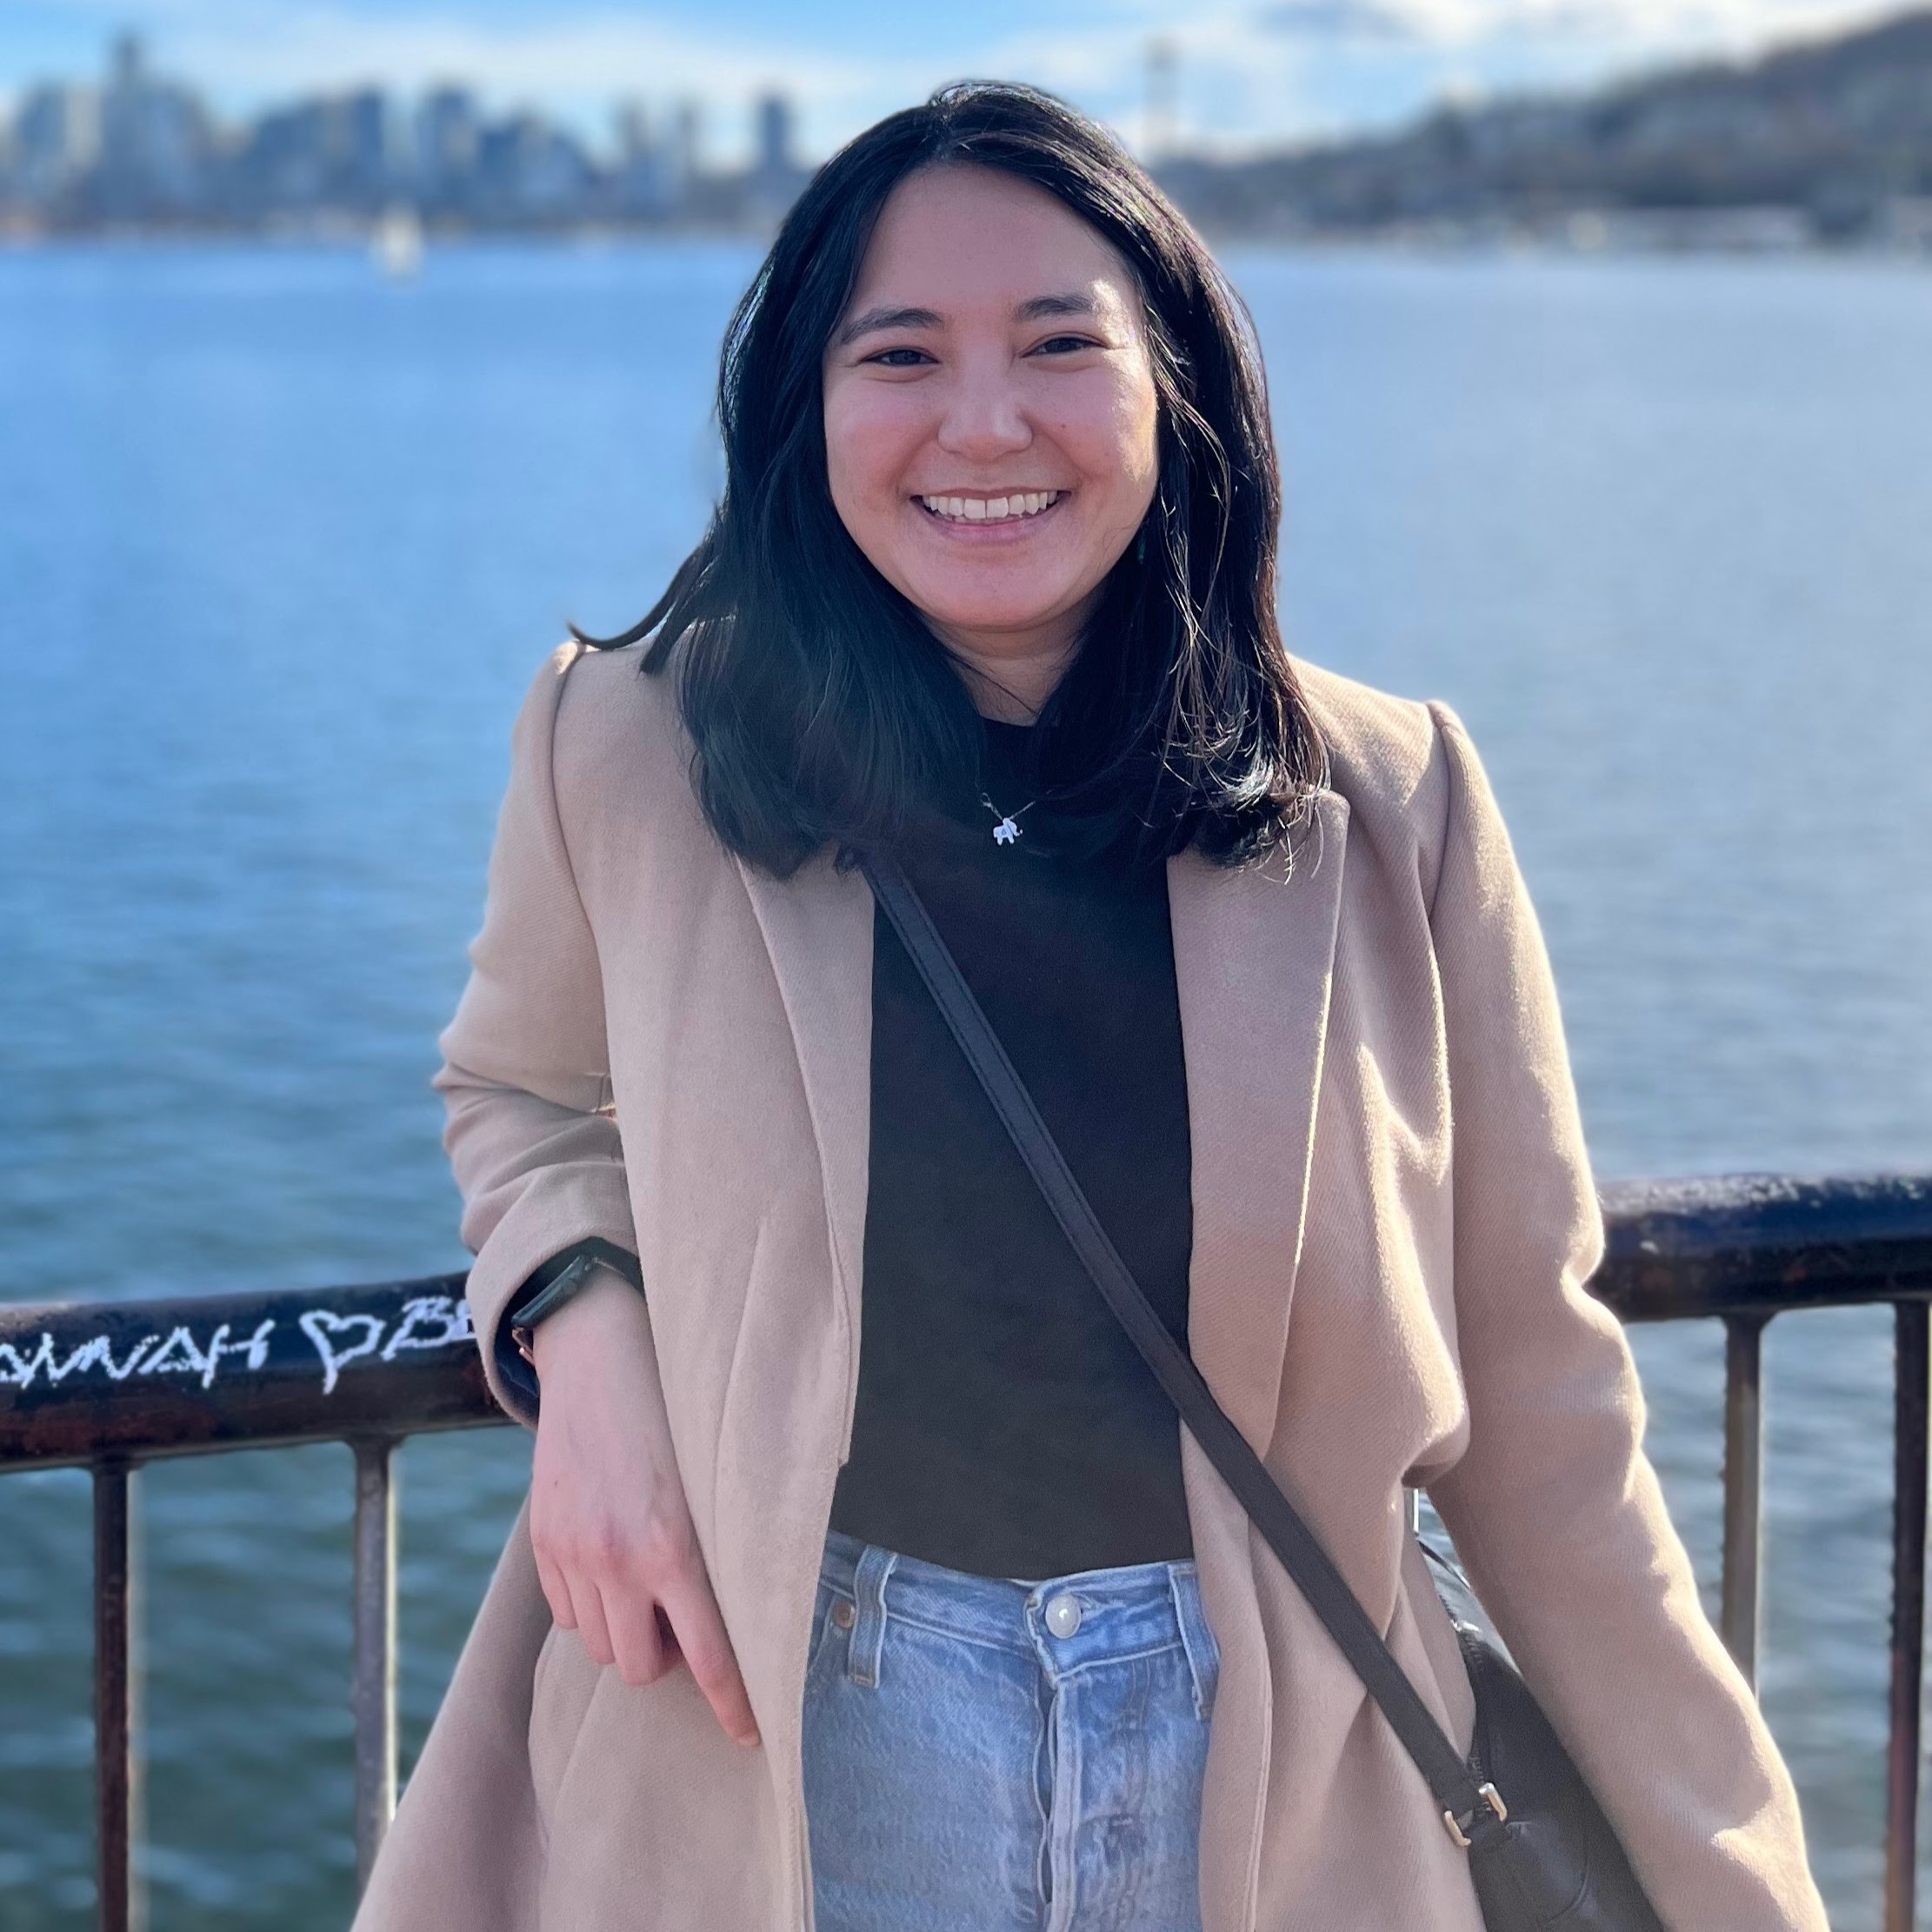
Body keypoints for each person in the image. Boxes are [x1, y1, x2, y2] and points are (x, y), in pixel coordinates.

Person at [353, 81, 1829, 1932]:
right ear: (804, 405)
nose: (984, 424)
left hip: (1279, 1773)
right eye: (899, 355)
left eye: (1061, 345)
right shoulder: (634, 742)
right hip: (781, 1741)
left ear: (1172, 390)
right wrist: (580, 1329)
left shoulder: (1387, 801)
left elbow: (1540, 1407)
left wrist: (1740, 1887)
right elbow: (523, 1088)